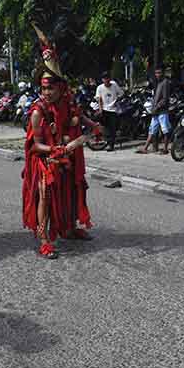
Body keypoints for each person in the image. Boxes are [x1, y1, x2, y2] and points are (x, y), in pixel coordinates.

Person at [22, 26, 102, 259]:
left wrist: (93, 126)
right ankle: (44, 237)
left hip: (68, 155)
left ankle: (68, 227)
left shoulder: (68, 100)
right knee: (45, 193)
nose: (46, 92)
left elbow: (79, 115)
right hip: (45, 158)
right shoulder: (38, 112)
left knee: (72, 190)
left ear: (61, 87)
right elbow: (34, 145)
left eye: (51, 88)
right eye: (43, 88)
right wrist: (54, 149)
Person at [138, 66, 171, 154]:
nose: (157, 75)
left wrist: (156, 107)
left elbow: (165, 99)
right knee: (152, 129)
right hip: (156, 111)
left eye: (159, 73)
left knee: (165, 130)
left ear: (163, 73)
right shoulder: (159, 83)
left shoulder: (165, 83)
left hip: (162, 110)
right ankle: (145, 148)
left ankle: (165, 148)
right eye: (156, 73)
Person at [95, 72, 124, 151]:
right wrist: (100, 110)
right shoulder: (100, 88)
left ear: (110, 79)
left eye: (107, 78)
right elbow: (99, 99)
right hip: (104, 109)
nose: (106, 80)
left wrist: (117, 101)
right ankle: (107, 141)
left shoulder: (114, 85)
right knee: (105, 127)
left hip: (113, 110)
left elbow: (121, 94)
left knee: (112, 128)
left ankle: (111, 145)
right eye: (104, 79)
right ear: (102, 80)